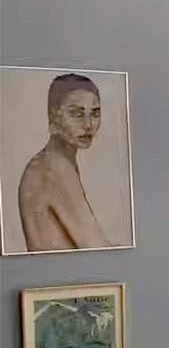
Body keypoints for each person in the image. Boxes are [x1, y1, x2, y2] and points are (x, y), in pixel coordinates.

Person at [18, 73, 110, 251]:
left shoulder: (45, 162)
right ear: (54, 114)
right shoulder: (55, 168)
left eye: (95, 113)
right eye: (77, 114)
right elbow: (96, 246)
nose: (88, 124)